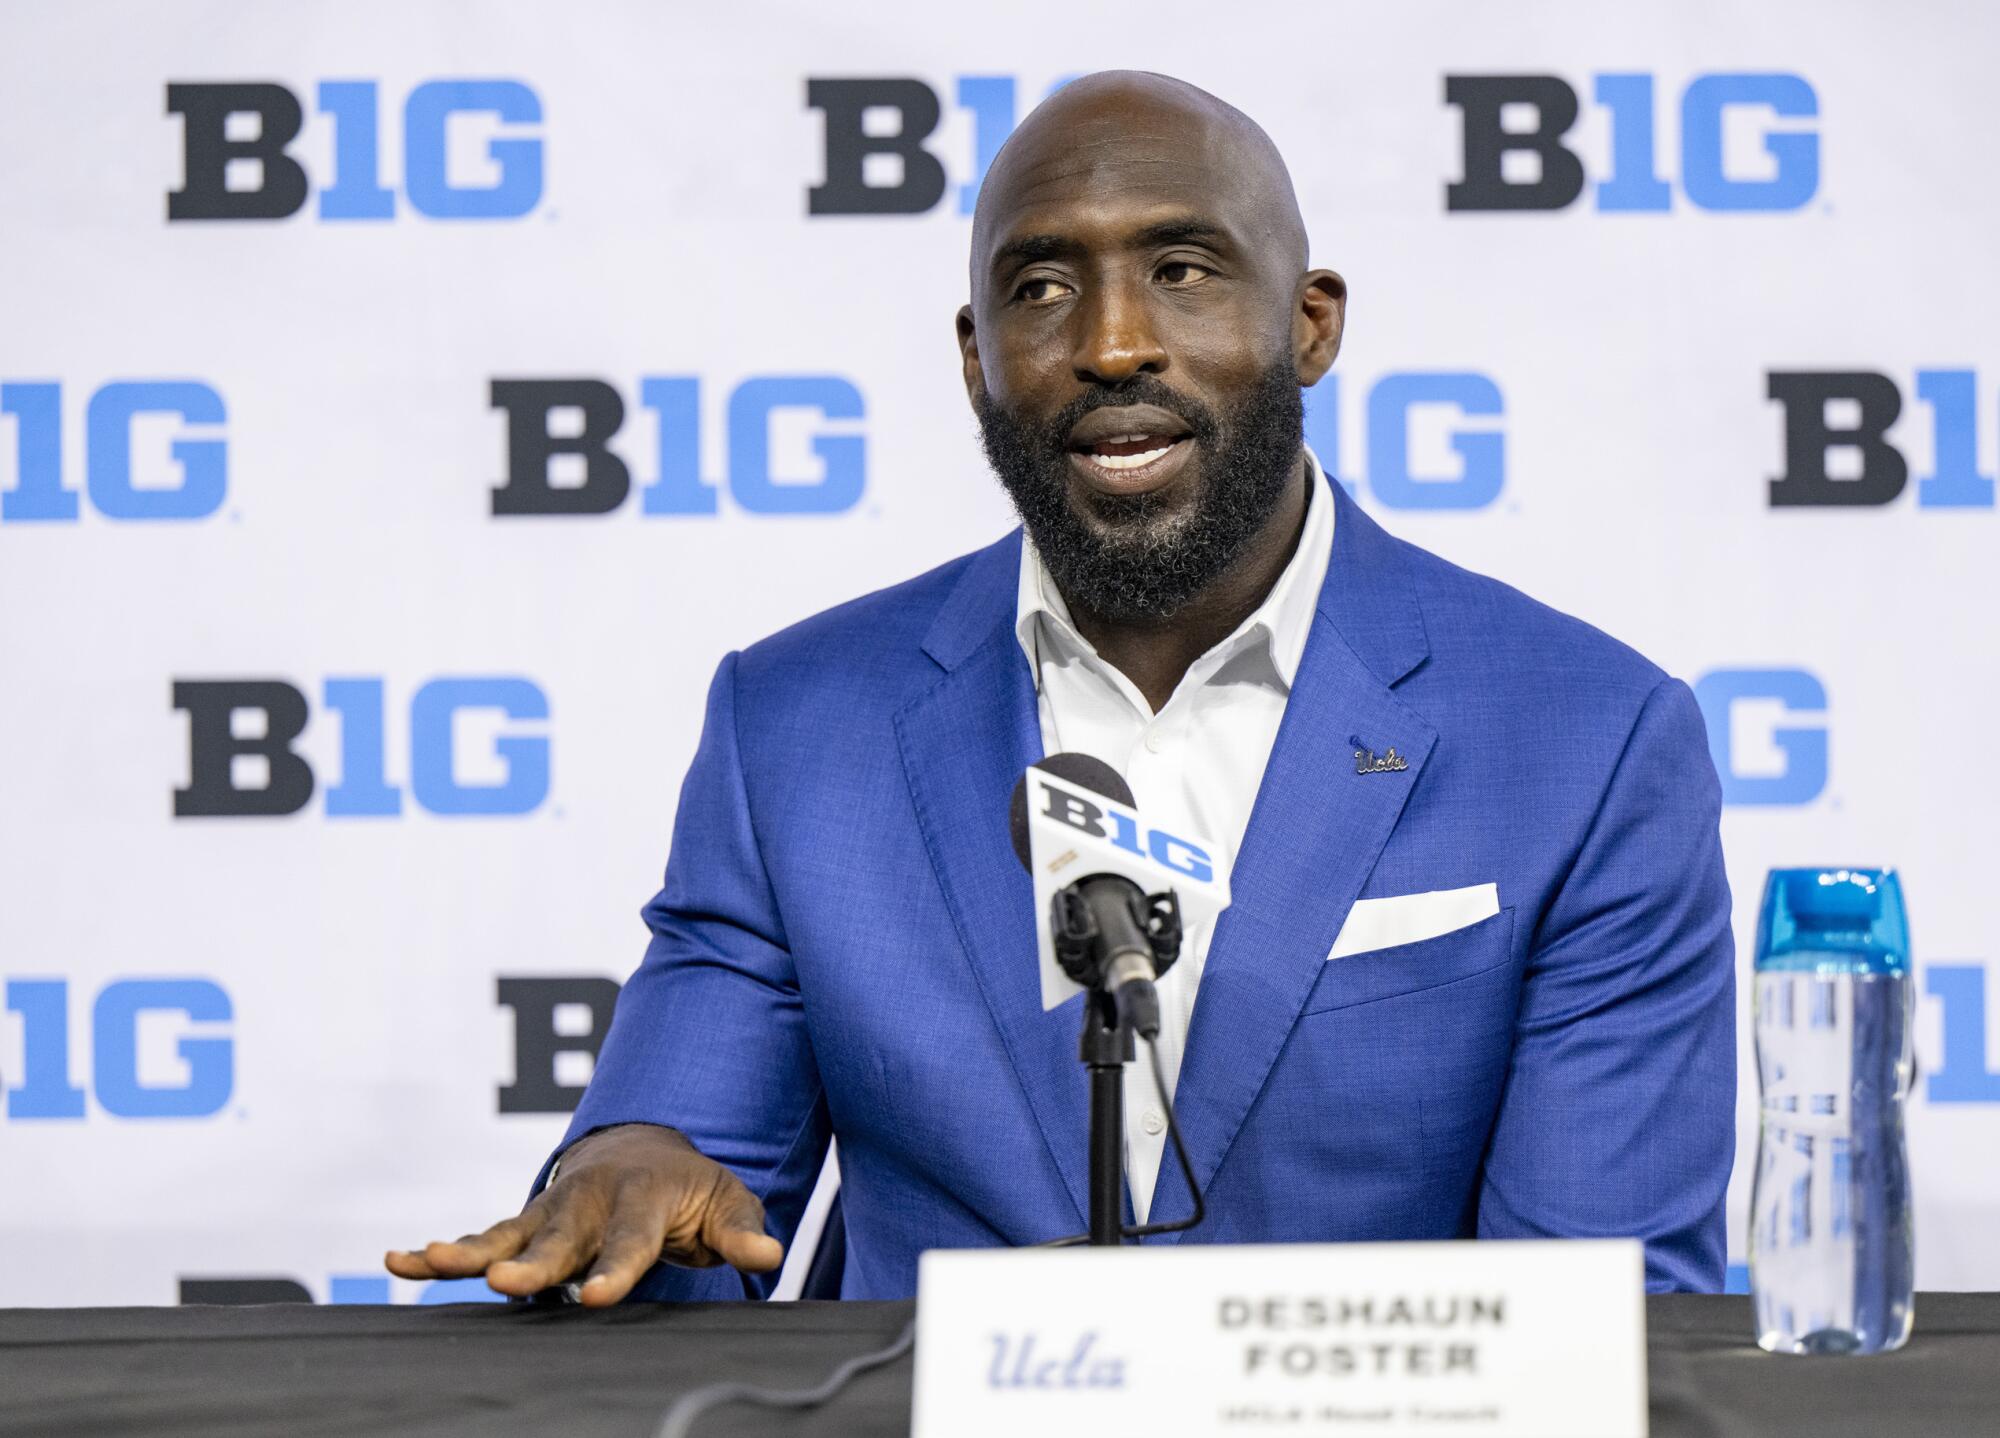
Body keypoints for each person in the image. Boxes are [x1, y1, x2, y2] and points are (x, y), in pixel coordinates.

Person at [387, 70, 1735, 1305]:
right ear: (976, 357)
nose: (1112, 344)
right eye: (1041, 289)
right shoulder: (795, 726)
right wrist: (622, 1169)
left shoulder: (1591, 740)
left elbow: (1601, 1323)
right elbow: (680, 1186)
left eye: (1185, 269)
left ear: (1309, 323)